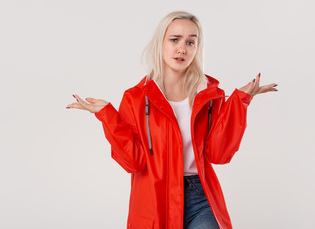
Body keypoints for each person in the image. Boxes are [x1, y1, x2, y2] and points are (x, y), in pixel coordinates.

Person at [66, 11, 278, 229]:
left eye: (190, 42)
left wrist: (239, 101)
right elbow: (133, 161)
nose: (182, 49)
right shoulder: (136, 98)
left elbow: (218, 154)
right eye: (175, 40)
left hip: (201, 196)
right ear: (161, 43)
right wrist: (107, 116)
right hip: (155, 198)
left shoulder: (210, 96)